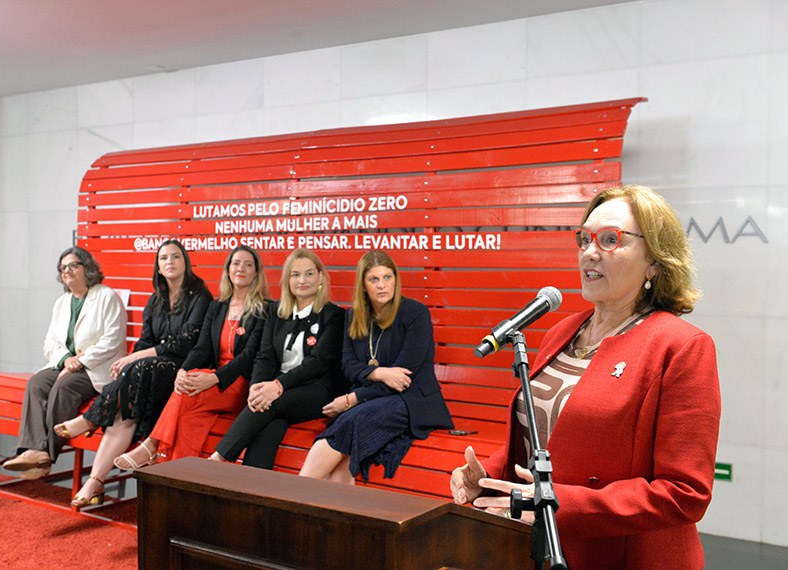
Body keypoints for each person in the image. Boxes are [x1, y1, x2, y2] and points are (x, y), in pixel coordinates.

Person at [449, 185, 721, 569]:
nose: (590, 252)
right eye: (584, 238)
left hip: (624, 557)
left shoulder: (682, 347)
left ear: (654, 262)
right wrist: (489, 476)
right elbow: (545, 436)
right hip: (540, 547)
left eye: (610, 239)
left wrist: (560, 504)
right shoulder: (561, 332)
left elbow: (684, 492)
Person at [52, 239, 211, 505]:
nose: (170, 262)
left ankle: (90, 420)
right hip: (150, 372)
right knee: (126, 408)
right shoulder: (156, 299)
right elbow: (146, 340)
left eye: (175, 257)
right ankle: (95, 481)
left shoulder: (200, 296)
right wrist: (131, 360)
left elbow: (187, 342)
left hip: (183, 368)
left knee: (139, 368)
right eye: (163, 258)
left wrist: (135, 357)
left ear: (185, 262)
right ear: (158, 267)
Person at [299, 250, 453, 483]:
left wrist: (352, 399)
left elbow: (402, 379)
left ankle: (298, 490)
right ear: (363, 285)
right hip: (373, 402)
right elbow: (348, 365)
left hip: (413, 402)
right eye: (374, 279)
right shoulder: (353, 316)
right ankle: (325, 499)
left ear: (395, 280)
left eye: (387, 277)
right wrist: (379, 372)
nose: (382, 285)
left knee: (352, 420)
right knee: (347, 443)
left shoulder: (415, 313)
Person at [115, 245, 269, 468]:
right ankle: (179, 474)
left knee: (187, 392)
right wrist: (183, 370)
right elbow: (202, 347)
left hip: (238, 382)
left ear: (256, 273)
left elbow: (248, 356)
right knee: (188, 414)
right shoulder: (217, 307)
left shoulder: (264, 310)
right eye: (236, 263)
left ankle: (152, 444)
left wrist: (215, 378)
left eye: (248, 265)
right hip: (213, 379)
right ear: (228, 270)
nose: (241, 269)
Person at [211, 248, 347, 469]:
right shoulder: (275, 311)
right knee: (270, 422)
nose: (302, 280)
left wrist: (277, 386)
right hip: (278, 390)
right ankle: (253, 484)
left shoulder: (334, 315)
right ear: (287, 280)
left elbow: (318, 363)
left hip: (316, 389)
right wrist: (256, 388)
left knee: (270, 403)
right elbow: (265, 357)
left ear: (320, 277)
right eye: (295, 274)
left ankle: (220, 458)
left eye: (309, 274)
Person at [3, 247, 126, 480]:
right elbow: (50, 341)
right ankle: (34, 449)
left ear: (87, 268)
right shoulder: (62, 302)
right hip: (67, 365)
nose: (66, 271)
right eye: (62, 268)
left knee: (64, 387)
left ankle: (45, 456)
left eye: (73, 266)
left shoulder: (107, 297)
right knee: (37, 383)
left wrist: (79, 362)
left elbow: (112, 340)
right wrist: (66, 360)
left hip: (97, 368)